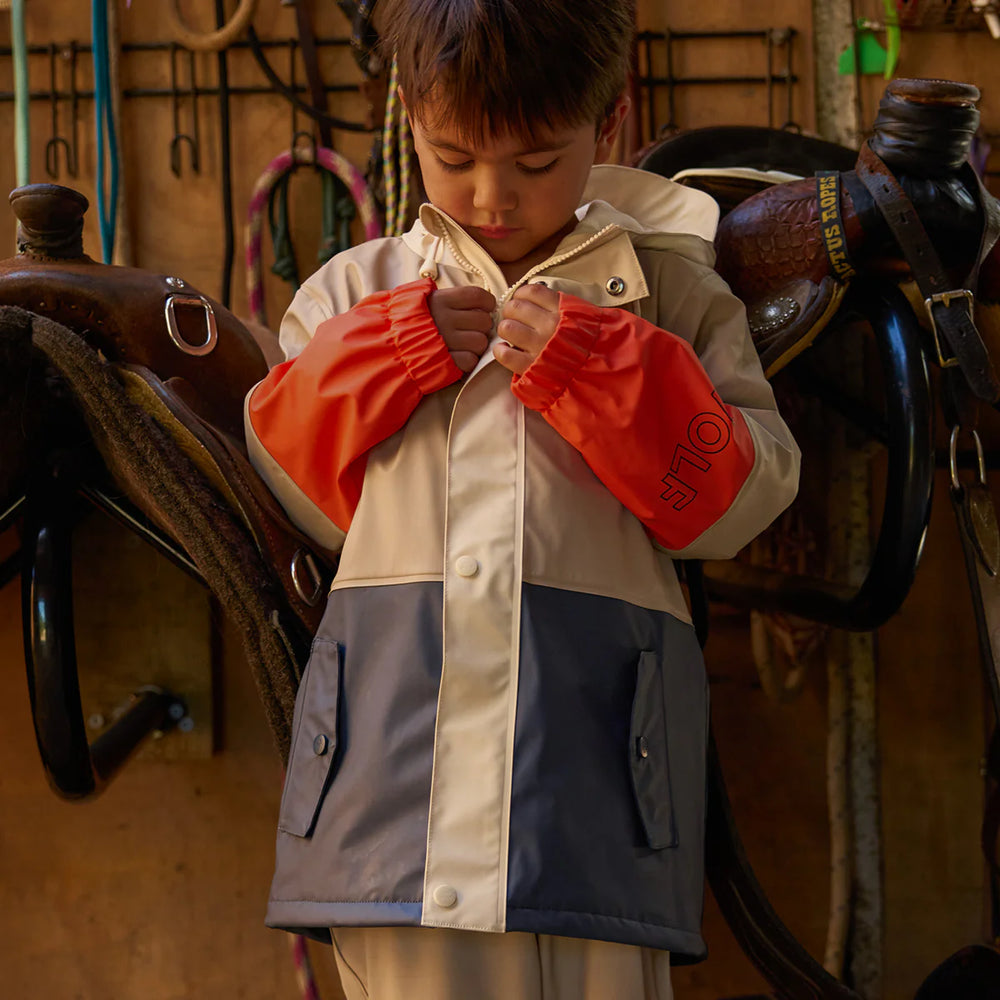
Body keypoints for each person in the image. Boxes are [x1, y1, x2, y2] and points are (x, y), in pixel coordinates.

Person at [244, 1, 800, 997]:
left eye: (538, 162)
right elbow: (298, 497)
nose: (493, 196)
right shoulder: (349, 296)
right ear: (408, 109)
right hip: (391, 815)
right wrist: (377, 363)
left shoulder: (671, 291)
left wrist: (607, 377)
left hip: (595, 796)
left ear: (610, 121)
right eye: (453, 156)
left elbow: (740, 501)